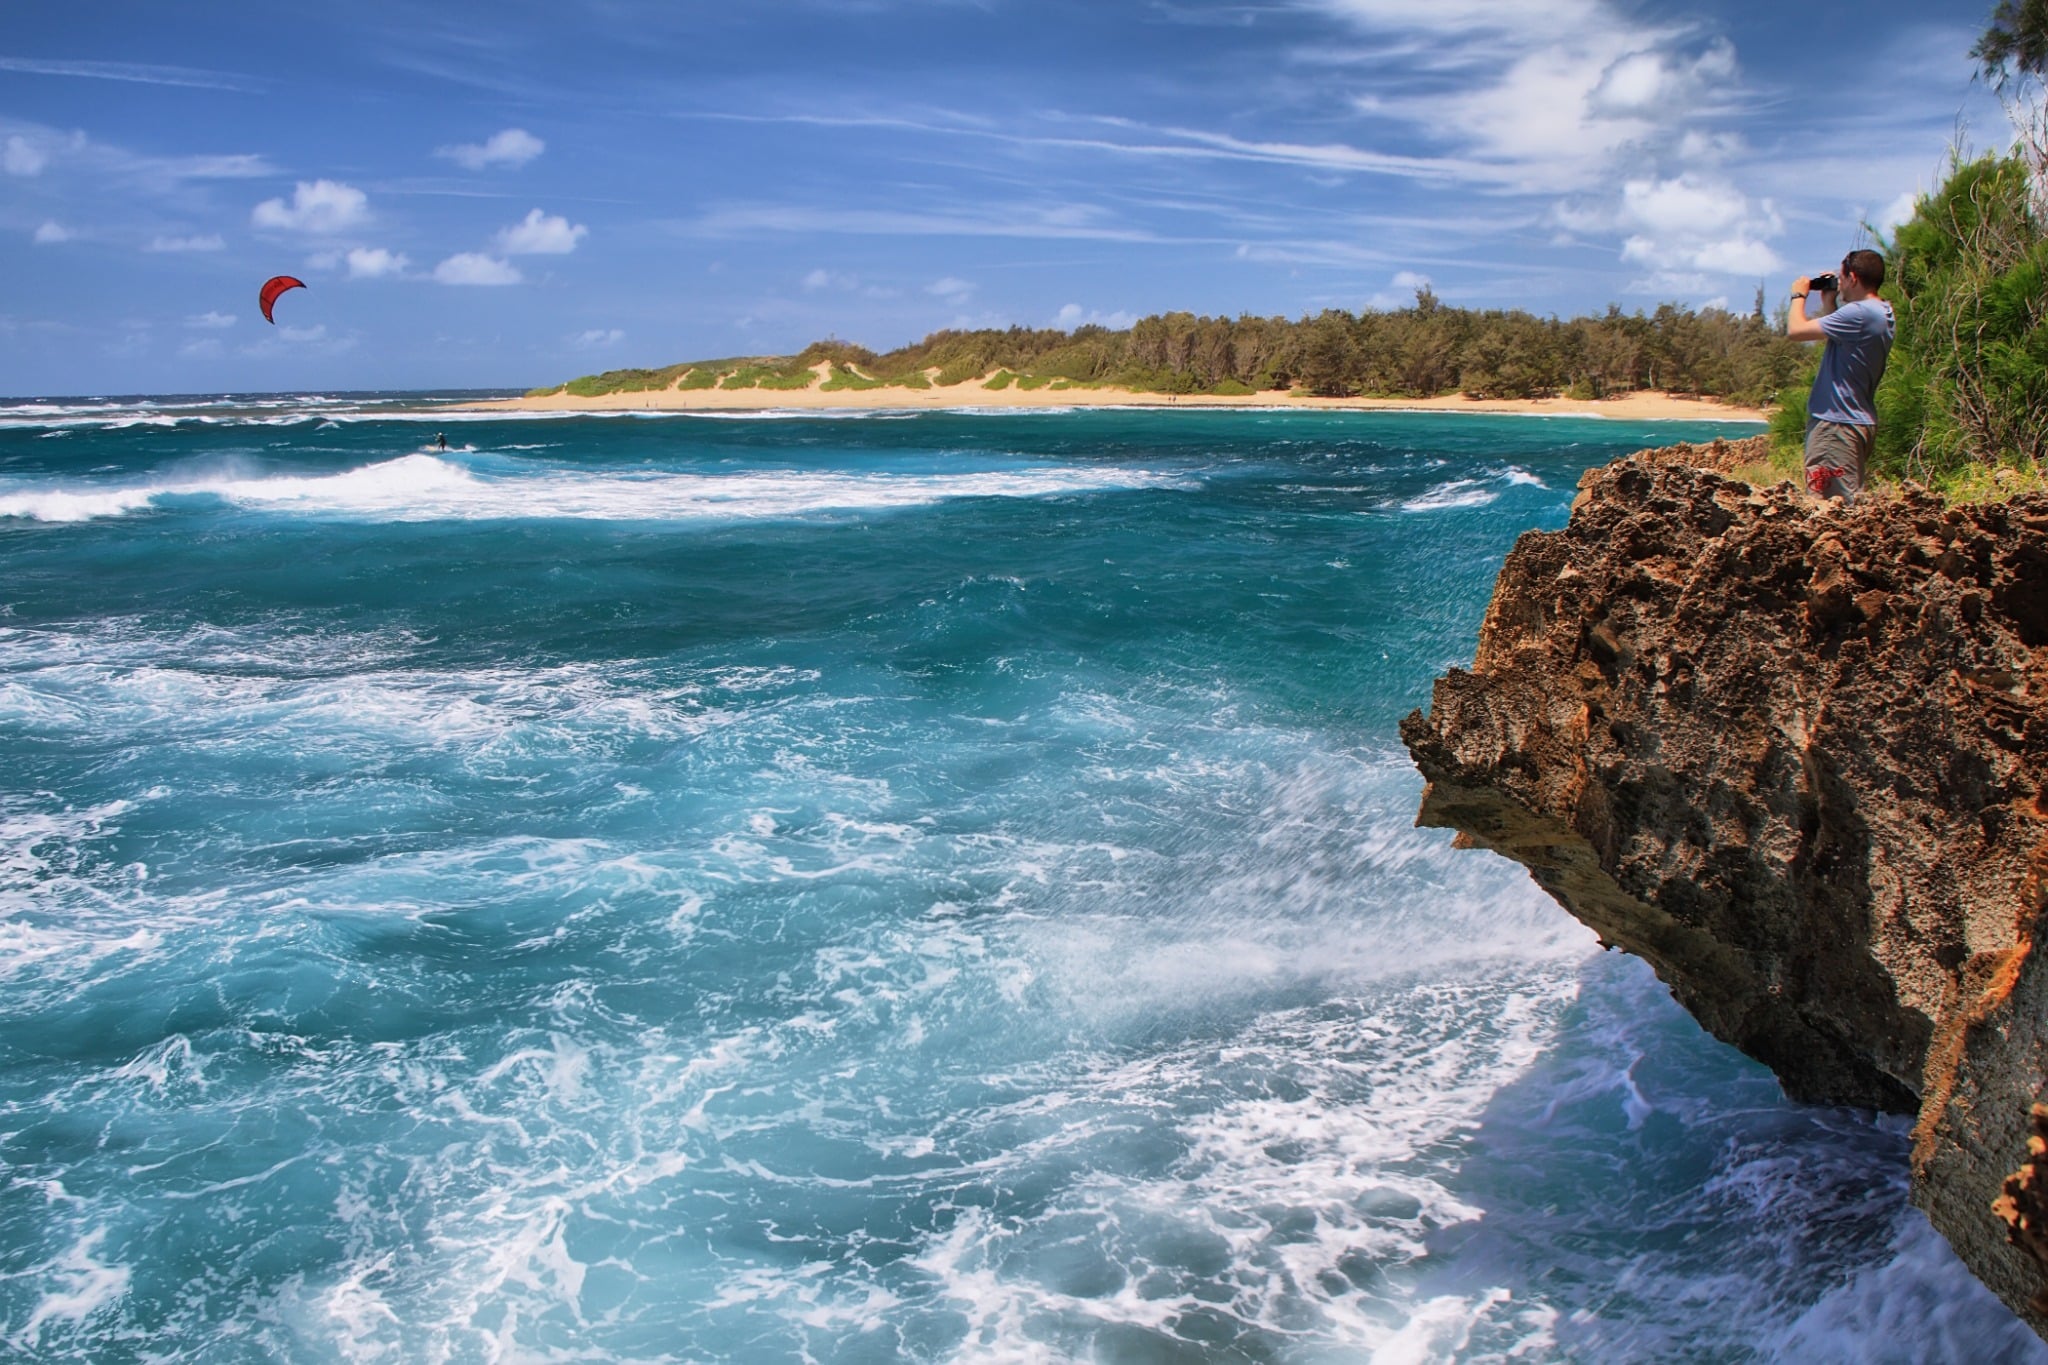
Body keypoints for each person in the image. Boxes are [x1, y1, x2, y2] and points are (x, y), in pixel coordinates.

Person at [1786, 249, 1894, 503]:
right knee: (1843, 506)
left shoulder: (1859, 313)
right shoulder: (1882, 313)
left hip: (1835, 427)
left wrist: (1798, 294)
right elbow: (1843, 339)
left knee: (1827, 511)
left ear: (1853, 278)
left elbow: (1795, 330)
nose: (1840, 282)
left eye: (1842, 277)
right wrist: (1829, 304)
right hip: (1853, 422)